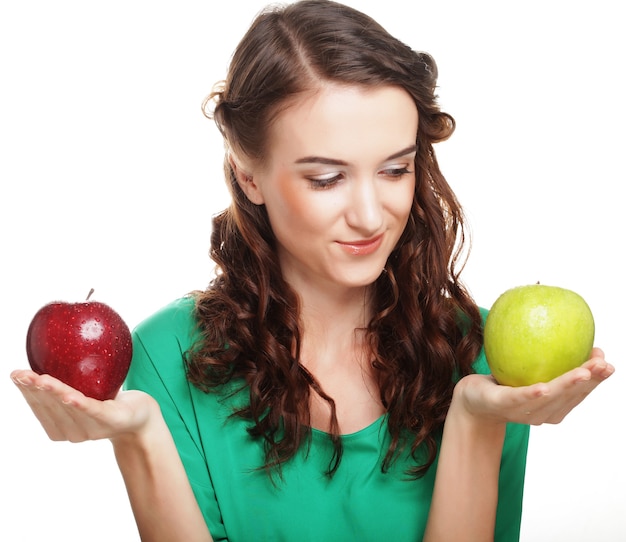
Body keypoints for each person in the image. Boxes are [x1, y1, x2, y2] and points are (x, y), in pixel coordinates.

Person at [11, 1, 614, 541]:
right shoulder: (165, 361)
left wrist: (477, 421)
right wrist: (139, 436)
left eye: (396, 170)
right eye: (326, 178)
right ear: (249, 175)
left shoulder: (487, 359)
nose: (371, 214)